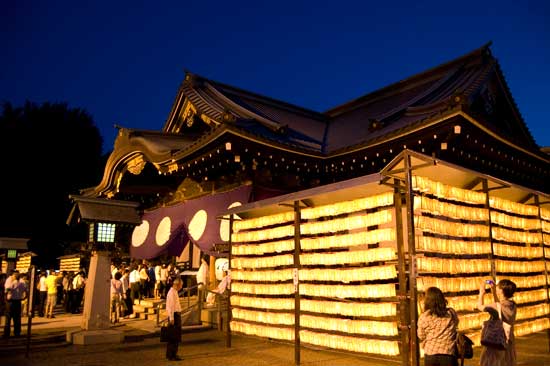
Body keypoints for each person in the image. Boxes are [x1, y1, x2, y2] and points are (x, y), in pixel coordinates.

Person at [477, 279, 517, 366]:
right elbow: (499, 307)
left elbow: (480, 307)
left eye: (498, 286)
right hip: (507, 341)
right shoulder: (512, 305)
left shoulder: (496, 306)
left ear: (501, 291)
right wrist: (494, 293)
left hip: (495, 342)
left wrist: (481, 292)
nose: (496, 287)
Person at [417, 286, 459, 366]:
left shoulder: (424, 317)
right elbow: (456, 324)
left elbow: (421, 336)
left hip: (430, 354)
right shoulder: (451, 313)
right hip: (448, 354)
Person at [3, 269, 28, 338]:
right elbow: (26, 290)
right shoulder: (22, 281)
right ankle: (17, 333)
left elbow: (7, 289)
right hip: (17, 301)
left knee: (8, 318)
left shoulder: (9, 280)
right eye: (16, 274)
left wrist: (7, 295)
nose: (16, 275)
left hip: (10, 302)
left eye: (17, 274)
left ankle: (7, 334)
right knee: (17, 318)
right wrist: (24, 297)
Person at [165, 277, 183, 361]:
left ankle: (171, 354)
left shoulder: (174, 292)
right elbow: (171, 307)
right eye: (181, 285)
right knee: (174, 336)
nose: (181, 287)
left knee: (174, 336)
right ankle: (172, 354)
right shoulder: (172, 293)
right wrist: (171, 318)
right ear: (177, 284)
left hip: (175, 315)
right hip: (174, 315)